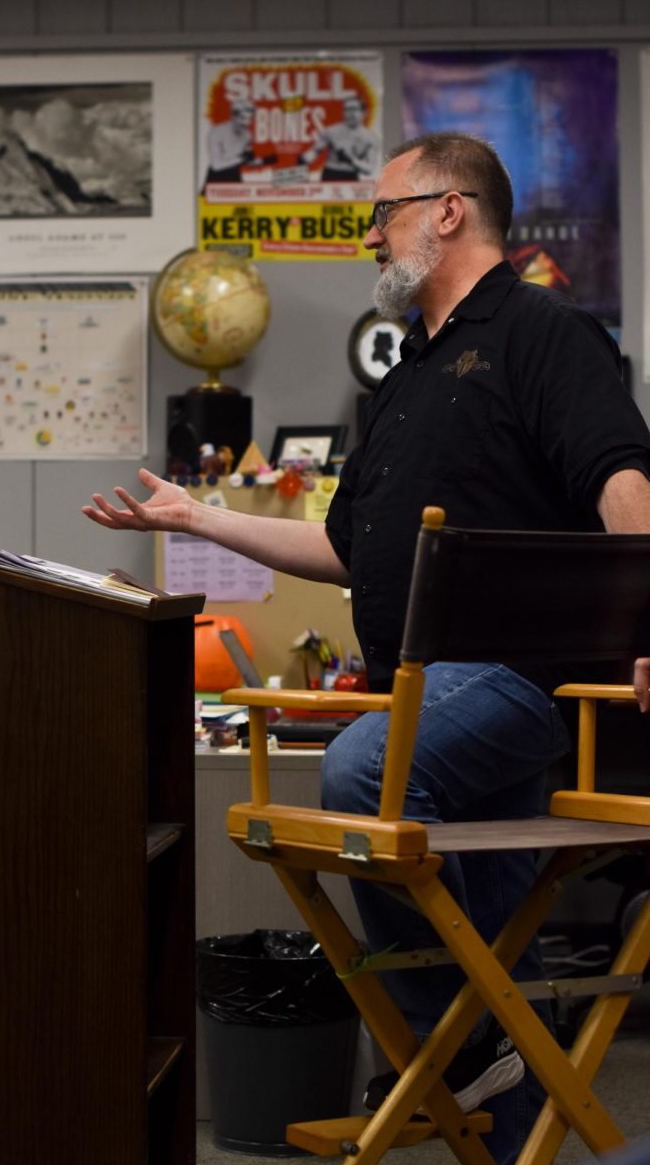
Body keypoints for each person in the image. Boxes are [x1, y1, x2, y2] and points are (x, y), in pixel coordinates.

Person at [83, 131, 650, 1164]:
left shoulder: (538, 334)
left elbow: (622, 478)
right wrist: (198, 520)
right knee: (481, 956)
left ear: (449, 209)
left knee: (356, 777)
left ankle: (463, 1042)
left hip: (516, 688)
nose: (368, 235)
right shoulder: (401, 377)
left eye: (381, 211)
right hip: (422, 696)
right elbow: (346, 549)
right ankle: (502, 1096)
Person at [300, 94, 380, 181]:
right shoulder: (332, 131)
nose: (350, 113)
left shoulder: (371, 138)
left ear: (364, 112)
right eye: (347, 110)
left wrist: (350, 160)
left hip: (351, 176)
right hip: (330, 174)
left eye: (354, 109)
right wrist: (304, 159)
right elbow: (315, 151)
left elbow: (369, 169)